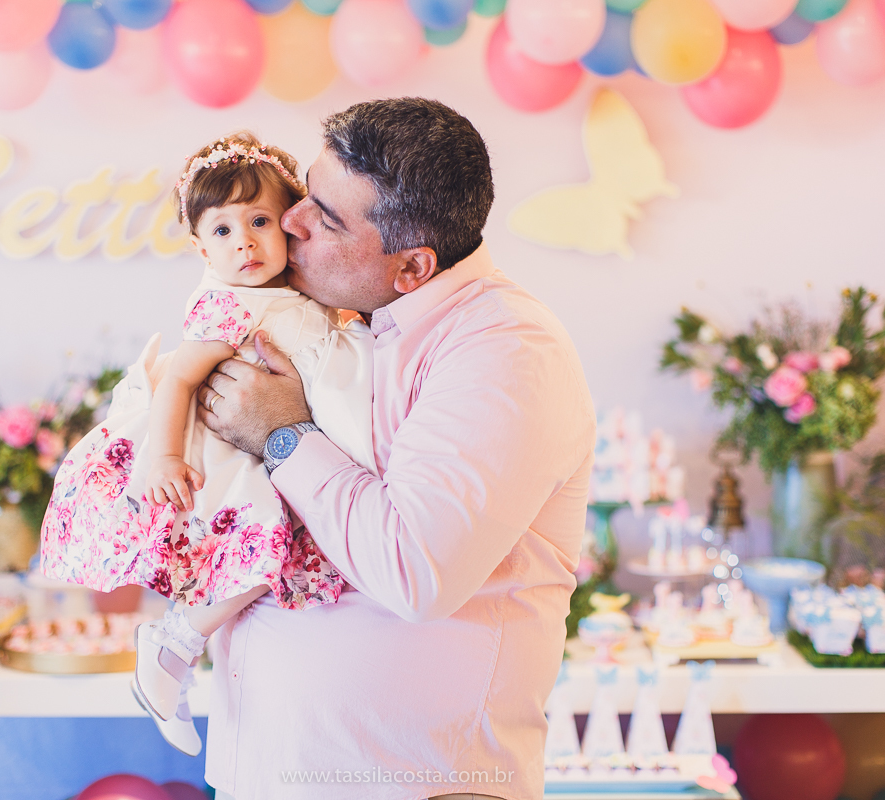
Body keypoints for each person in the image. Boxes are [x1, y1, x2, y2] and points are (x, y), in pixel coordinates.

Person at [195, 98, 598, 800]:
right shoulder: (346, 320)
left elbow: (416, 569)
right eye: (306, 192)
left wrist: (283, 436)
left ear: (412, 267)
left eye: (324, 215)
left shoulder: (504, 349)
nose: (289, 219)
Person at [39, 131, 374, 757]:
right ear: (199, 247)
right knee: (267, 552)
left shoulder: (295, 295)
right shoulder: (229, 305)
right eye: (221, 231)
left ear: (293, 224)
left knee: (277, 554)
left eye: (258, 221)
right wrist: (163, 456)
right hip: (230, 456)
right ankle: (175, 643)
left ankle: (177, 649)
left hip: (276, 447)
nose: (243, 241)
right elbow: (180, 377)